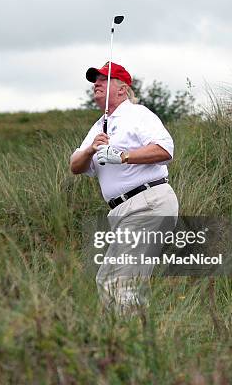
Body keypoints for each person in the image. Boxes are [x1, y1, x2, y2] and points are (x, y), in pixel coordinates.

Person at [70, 62, 179, 313]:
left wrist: (122, 156)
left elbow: (165, 150)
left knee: (123, 281)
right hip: (123, 210)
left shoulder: (137, 114)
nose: (96, 83)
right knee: (107, 281)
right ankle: (120, 341)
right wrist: (89, 150)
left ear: (122, 88)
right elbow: (75, 165)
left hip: (148, 202)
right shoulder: (99, 126)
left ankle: (135, 343)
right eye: (95, 80)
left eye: (103, 79)